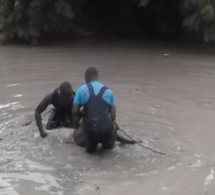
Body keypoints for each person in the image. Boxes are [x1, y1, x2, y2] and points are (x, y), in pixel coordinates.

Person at [72, 67, 135, 153]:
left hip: (91, 131)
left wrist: (83, 114)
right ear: (97, 77)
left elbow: (74, 111)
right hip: (107, 131)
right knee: (108, 154)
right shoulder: (109, 91)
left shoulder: (81, 90)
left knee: (90, 155)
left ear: (86, 78)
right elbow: (113, 116)